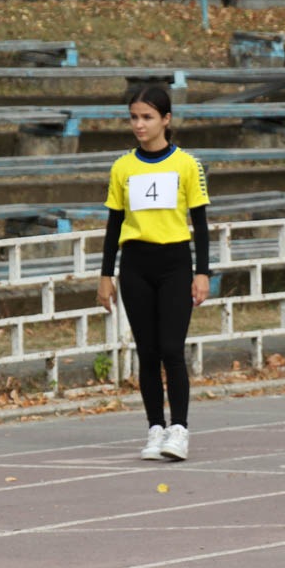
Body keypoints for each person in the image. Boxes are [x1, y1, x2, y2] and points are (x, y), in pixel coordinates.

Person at [95, 84, 210, 462]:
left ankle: (179, 429)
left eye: (147, 117)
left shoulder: (187, 165)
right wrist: (106, 275)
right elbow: (114, 224)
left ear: (166, 119)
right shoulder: (123, 167)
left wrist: (202, 272)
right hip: (135, 264)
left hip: (175, 262)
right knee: (147, 351)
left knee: (171, 349)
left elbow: (200, 223)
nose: (139, 124)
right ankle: (154, 428)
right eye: (133, 117)